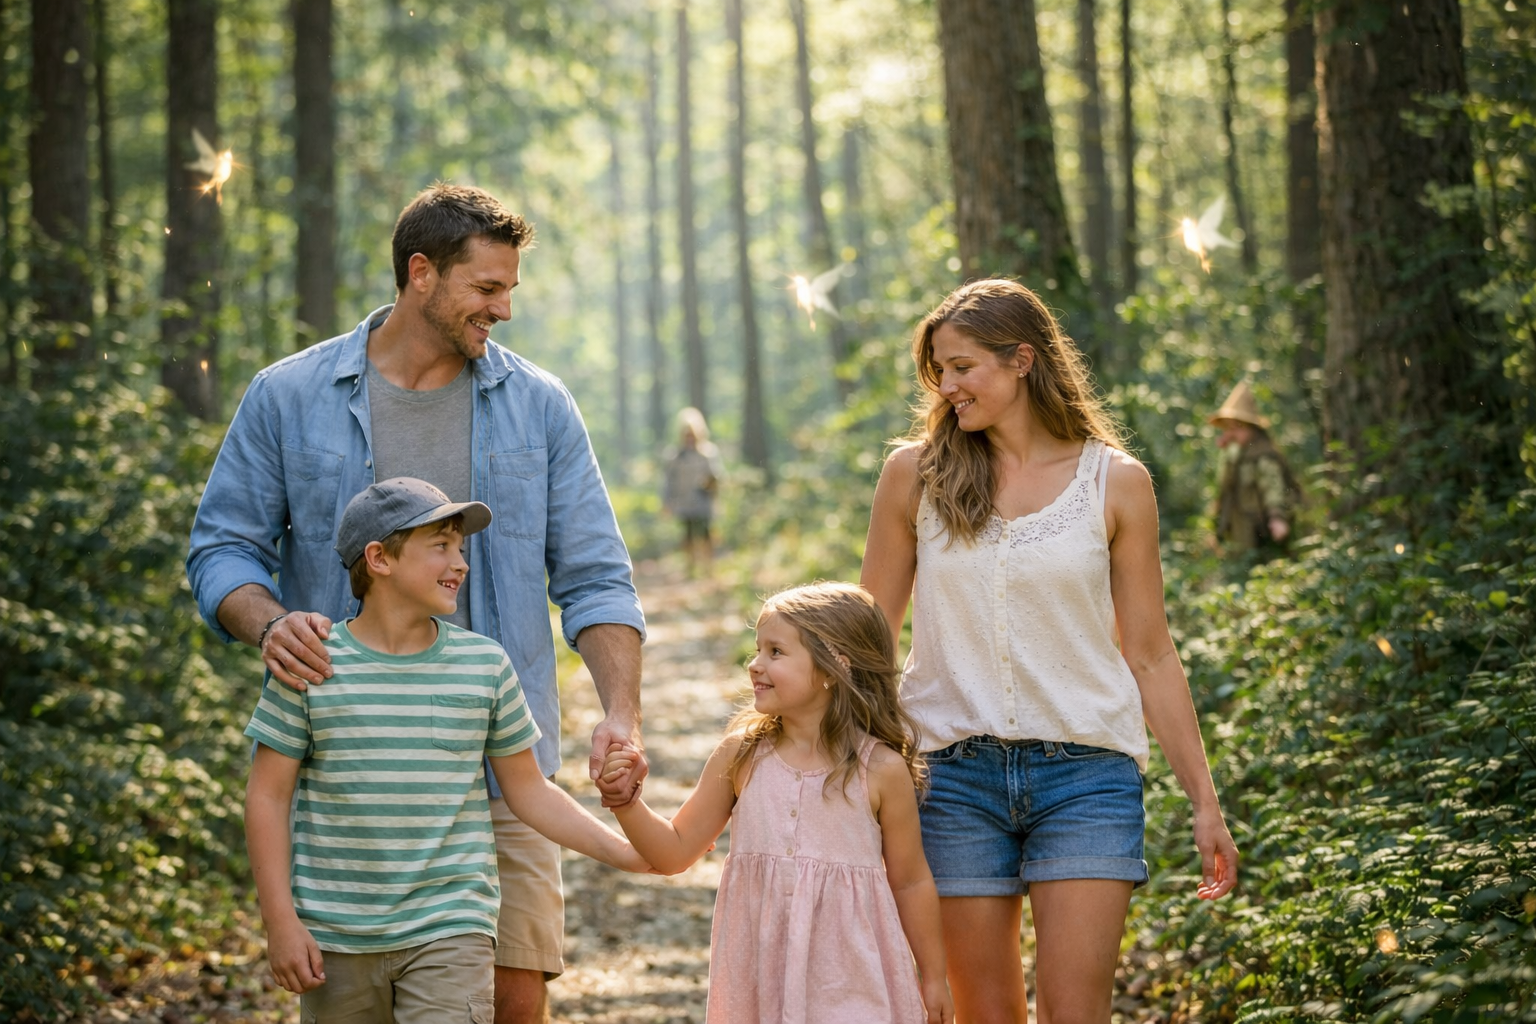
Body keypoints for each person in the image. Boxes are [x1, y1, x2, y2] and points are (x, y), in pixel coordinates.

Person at [187, 183, 647, 1024]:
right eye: (487, 289)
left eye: (511, 289)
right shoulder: (288, 396)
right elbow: (222, 548)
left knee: (512, 1001)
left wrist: (621, 710)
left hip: (505, 770)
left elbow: (593, 573)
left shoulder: (539, 405)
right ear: (421, 274)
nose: (504, 309)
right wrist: (270, 623)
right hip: (358, 780)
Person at [859, 279, 1239, 1023]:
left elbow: (1152, 654)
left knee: (1075, 1014)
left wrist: (1204, 800)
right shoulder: (916, 474)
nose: (947, 385)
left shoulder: (1116, 483)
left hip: (1087, 779)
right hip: (953, 778)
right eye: (938, 369)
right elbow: (871, 633)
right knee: (986, 1016)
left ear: (1023, 360)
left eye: (963, 366)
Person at [244, 478, 648, 1019]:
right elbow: (267, 798)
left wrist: (630, 853)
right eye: (441, 546)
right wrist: (280, 923)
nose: (460, 563)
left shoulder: (484, 666)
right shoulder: (310, 665)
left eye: (460, 548)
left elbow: (529, 791)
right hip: (336, 937)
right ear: (379, 558)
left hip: (452, 927)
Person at [598, 583, 954, 1024]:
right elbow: (673, 850)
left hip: (853, 977)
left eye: (776, 652)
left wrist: (934, 975)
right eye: (757, 649)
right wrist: (626, 803)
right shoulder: (742, 755)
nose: (754, 664)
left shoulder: (879, 770)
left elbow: (910, 881)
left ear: (833, 666)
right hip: (760, 977)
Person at [1210, 380, 1299, 557]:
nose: (1231, 432)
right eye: (1228, 427)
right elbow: (1225, 486)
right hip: (1240, 533)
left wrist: (1277, 517)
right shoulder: (1236, 454)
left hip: (1261, 532)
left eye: (1237, 427)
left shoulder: (1263, 454)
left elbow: (1273, 487)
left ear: (1251, 428)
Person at [661, 406, 723, 576]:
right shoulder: (675, 455)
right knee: (687, 535)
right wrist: (666, 502)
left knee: (706, 535)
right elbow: (668, 481)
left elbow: (716, 476)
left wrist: (710, 484)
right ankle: (690, 567)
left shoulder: (708, 453)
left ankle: (709, 568)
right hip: (685, 502)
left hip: (703, 502)